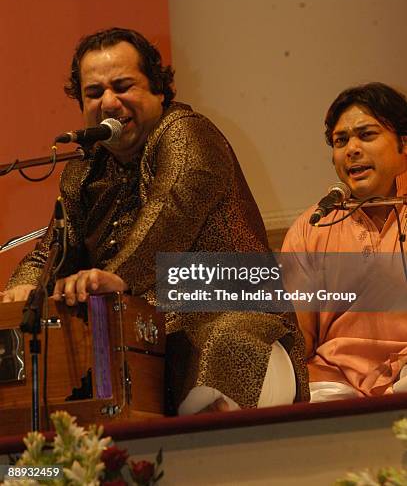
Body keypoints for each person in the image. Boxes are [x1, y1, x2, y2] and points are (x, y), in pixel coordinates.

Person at [2, 27, 309, 412]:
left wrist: (116, 277)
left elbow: (170, 213)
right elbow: (53, 249)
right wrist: (21, 290)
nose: (109, 102)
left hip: (235, 329)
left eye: (123, 86)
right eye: (94, 93)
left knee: (224, 349)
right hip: (145, 347)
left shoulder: (187, 133)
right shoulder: (83, 170)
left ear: (159, 91)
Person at [282, 82, 407, 402]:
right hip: (334, 377)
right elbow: (300, 337)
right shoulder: (312, 225)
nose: (351, 148)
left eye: (367, 135)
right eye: (341, 141)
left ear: (403, 145)